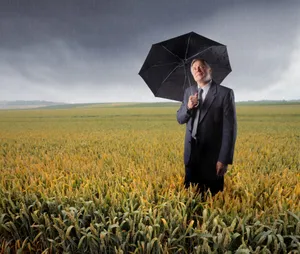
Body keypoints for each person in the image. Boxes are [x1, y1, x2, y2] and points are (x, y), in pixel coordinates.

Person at [176, 58, 237, 197]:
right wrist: (189, 107)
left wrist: (223, 159)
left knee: (213, 200)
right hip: (191, 155)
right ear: (192, 75)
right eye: (194, 68)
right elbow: (180, 119)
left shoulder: (225, 93)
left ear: (209, 70)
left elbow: (230, 129)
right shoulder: (189, 92)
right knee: (191, 197)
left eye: (201, 66)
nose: (197, 70)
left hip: (213, 158)